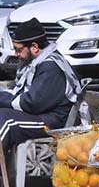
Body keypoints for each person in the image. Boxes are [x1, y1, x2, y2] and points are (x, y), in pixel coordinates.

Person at [0, 18, 81, 153]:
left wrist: (2, 99)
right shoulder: (37, 62)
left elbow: (32, 103)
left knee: (5, 121)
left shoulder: (51, 67)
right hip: (41, 114)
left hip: (53, 121)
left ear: (35, 47)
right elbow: (19, 92)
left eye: (18, 49)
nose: (16, 54)